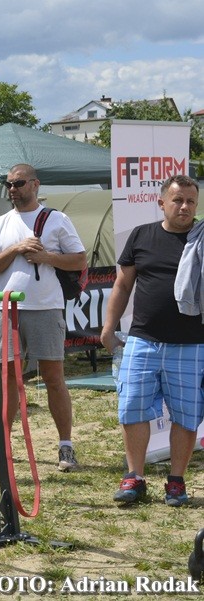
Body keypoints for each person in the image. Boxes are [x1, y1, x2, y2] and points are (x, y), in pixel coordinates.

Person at [102, 174, 204, 506]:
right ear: (161, 202)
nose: (185, 206)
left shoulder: (202, 238)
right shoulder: (142, 235)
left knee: (187, 416)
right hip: (143, 341)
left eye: (191, 200)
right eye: (178, 200)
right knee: (132, 409)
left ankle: (176, 482)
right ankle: (134, 477)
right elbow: (122, 286)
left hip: (192, 344)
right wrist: (109, 327)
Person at [0, 163, 86, 471]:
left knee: (54, 378)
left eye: (19, 183)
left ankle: (65, 445)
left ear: (35, 185)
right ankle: (2, 444)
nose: (13, 189)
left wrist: (45, 257)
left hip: (45, 308)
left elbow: (79, 260)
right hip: (7, 310)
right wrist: (16, 248)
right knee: (9, 381)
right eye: (8, 184)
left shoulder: (57, 219)